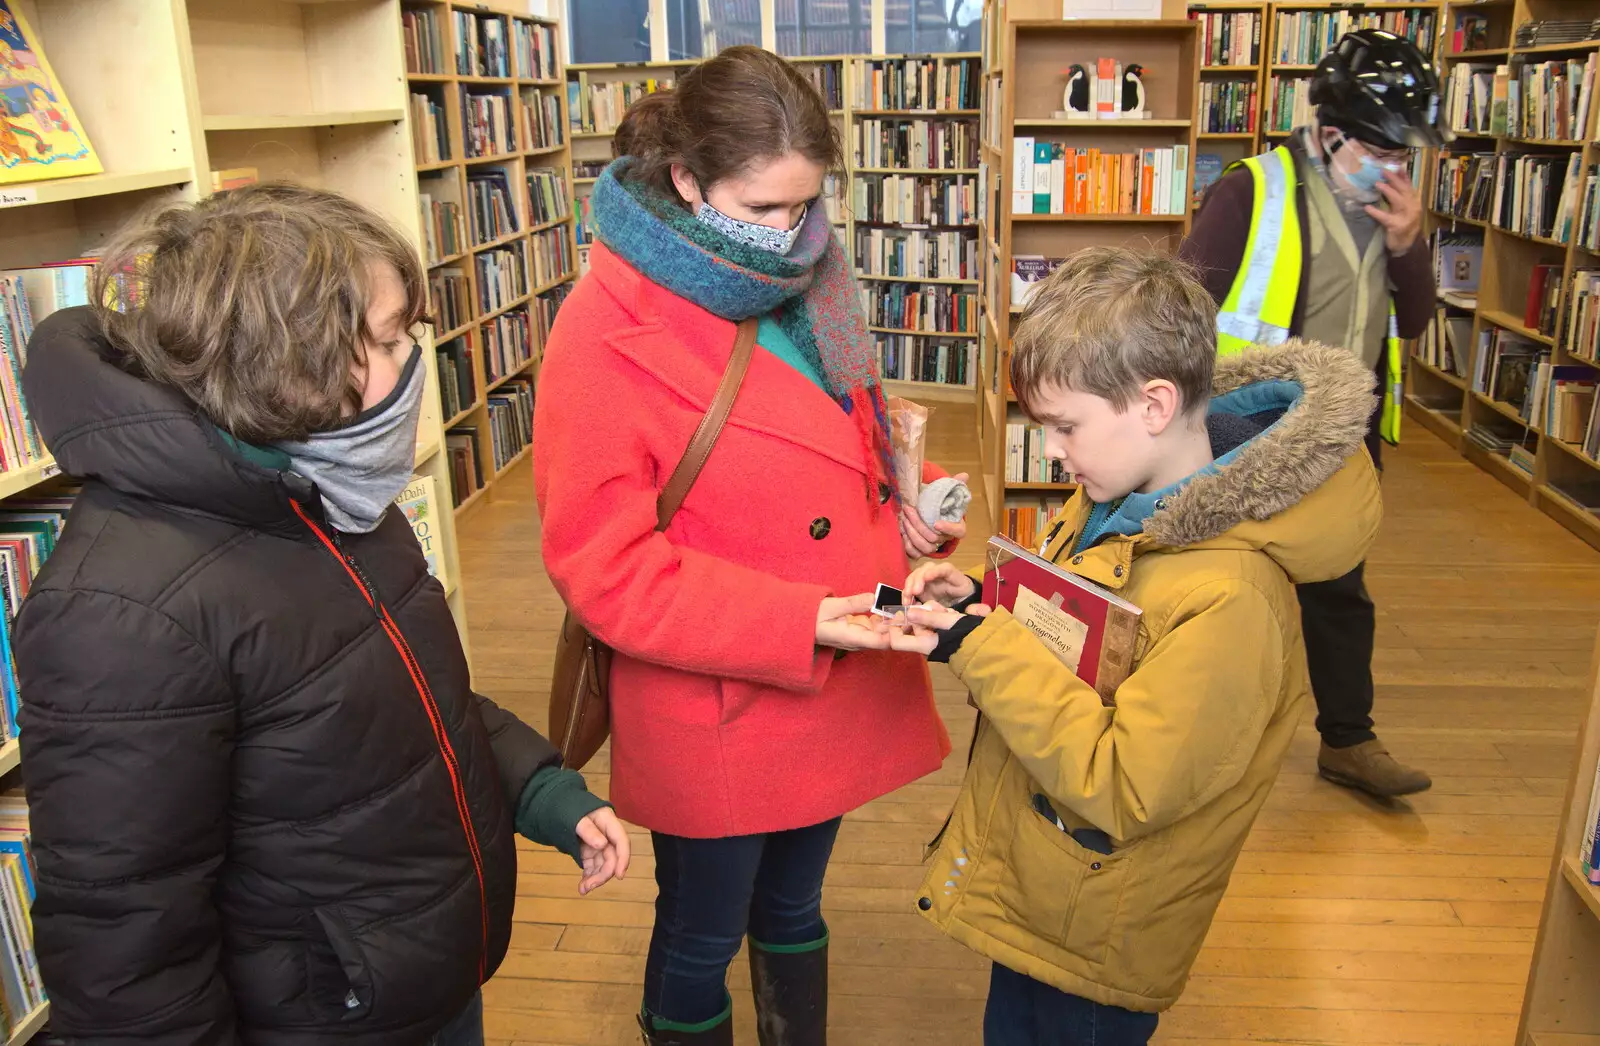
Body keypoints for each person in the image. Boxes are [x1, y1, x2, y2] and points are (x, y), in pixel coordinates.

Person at [14, 184, 631, 1046]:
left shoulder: (328, 492)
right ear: (285, 360)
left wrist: (538, 785)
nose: (415, 361)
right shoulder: (126, 610)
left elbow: (400, 703)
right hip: (327, 1014)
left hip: (416, 972)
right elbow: (126, 940)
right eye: (388, 340)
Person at [533, 45, 966, 1046]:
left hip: (843, 658)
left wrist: (906, 517)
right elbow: (605, 566)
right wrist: (798, 615)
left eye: (804, 207)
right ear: (686, 182)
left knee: (793, 907)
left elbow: (836, 438)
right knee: (699, 929)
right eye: (761, 208)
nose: (788, 235)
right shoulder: (604, 329)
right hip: (719, 686)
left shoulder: (817, 275)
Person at [891, 248, 1382, 1045]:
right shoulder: (1111, 499)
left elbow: (1122, 783)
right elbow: (1080, 640)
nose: (1051, 451)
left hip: (1099, 928)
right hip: (1042, 886)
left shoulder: (1231, 603)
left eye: (1065, 426)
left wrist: (983, 649)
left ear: (1154, 404)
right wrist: (983, 605)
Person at [1178, 27, 1442, 798]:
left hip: (1345, 436)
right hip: (1249, 428)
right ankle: (1202, 743)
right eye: (1382, 151)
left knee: (1340, 588)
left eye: (1404, 155)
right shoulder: (1251, 189)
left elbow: (1416, 321)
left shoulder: (1391, 214)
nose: (1395, 169)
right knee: (1228, 590)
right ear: (1332, 136)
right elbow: (1187, 308)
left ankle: (1349, 741)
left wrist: (1408, 243)